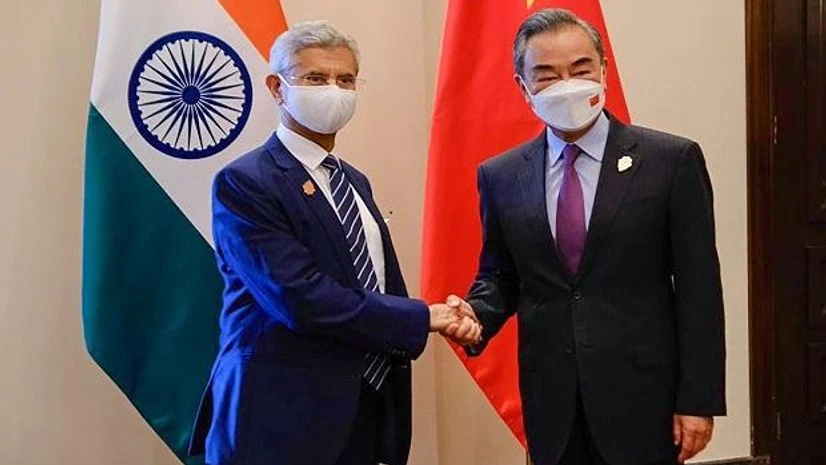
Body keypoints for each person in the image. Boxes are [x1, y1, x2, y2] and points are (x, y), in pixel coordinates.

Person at [187, 20, 481, 465]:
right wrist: (426, 316)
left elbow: (371, 282)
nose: (333, 90)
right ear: (276, 87)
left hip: (361, 410)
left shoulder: (352, 181)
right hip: (277, 422)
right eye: (315, 78)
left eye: (345, 80)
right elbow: (299, 296)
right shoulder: (246, 183)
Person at [445, 9, 726, 465]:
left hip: (643, 397)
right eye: (547, 75)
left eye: (580, 69)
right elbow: (500, 274)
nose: (568, 84)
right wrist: (475, 312)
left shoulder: (670, 162)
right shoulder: (501, 175)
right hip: (552, 397)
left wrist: (698, 399)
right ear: (523, 88)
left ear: (603, 73)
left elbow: (699, 290)